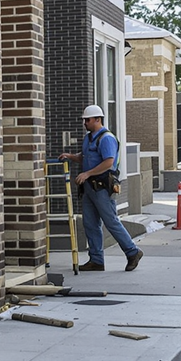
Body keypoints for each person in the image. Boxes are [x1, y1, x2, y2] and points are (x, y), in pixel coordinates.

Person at [58, 104, 143, 272]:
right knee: (90, 223)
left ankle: (132, 252)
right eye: (84, 120)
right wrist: (71, 157)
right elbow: (86, 157)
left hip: (103, 186)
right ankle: (96, 260)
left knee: (111, 221)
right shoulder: (89, 138)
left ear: (98, 119)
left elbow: (108, 162)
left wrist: (87, 174)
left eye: (88, 120)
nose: (85, 123)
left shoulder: (106, 138)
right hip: (89, 187)